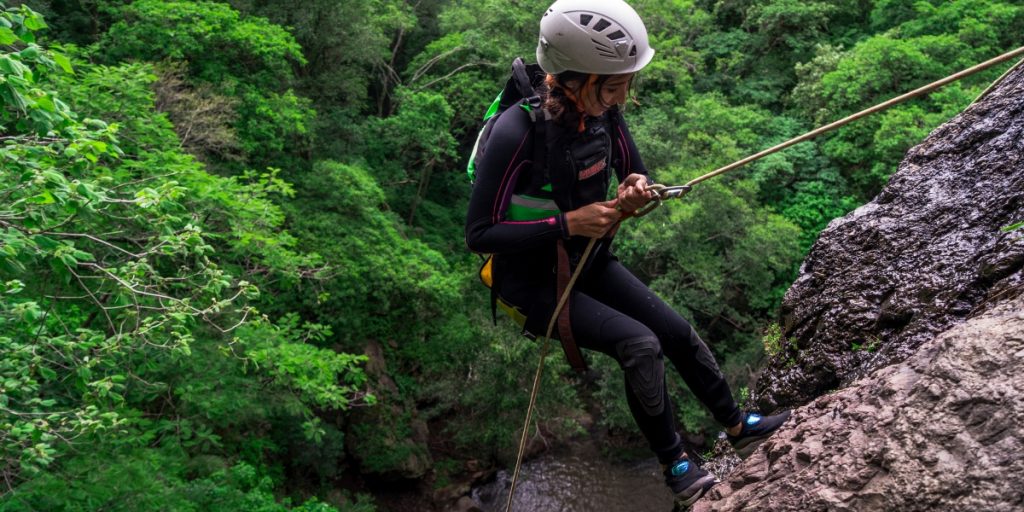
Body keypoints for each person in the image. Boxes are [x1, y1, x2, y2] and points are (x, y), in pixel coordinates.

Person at [464, 0, 790, 507]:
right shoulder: (517, 131)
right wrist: (566, 223)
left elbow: (634, 175)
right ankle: (677, 465)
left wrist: (636, 193)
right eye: (612, 85)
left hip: (588, 260)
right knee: (640, 344)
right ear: (571, 78)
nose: (621, 96)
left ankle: (737, 424)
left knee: (675, 331)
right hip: (530, 283)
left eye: (624, 85)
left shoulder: (605, 116)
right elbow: (480, 233)